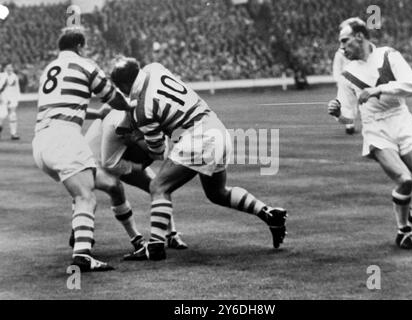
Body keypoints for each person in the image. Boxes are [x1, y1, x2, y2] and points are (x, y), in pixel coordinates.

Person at [110, 57, 287, 261]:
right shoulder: (154, 68)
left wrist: (135, 138)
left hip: (198, 136)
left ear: (124, 84)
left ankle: (156, 245)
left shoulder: (143, 110)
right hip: (217, 129)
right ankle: (269, 214)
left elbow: (158, 151)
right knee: (217, 193)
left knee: (159, 187)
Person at [327, 19, 412, 249]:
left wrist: (379, 88)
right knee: (405, 180)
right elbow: (349, 116)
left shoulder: (388, 55)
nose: (342, 48)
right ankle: (403, 230)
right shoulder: (347, 74)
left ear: (360, 37)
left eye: (345, 41)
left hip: (402, 120)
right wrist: (338, 113)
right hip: (375, 128)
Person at [32, 27, 132, 272]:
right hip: (65, 138)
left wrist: (95, 114)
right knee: (85, 197)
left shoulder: (49, 70)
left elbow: (61, 104)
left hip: (41, 141)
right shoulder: (85, 65)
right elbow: (113, 97)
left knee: (96, 187)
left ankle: (79, 233)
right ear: (79, 46)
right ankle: (82, 255)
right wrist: (130, 107)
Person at [83, 108, 189, 255]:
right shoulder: (115, 123)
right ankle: (136, 240)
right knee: (114, 188)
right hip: (95, 157)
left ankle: (171, 235)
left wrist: (139, 146)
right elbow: (108, 163)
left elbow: (160, 154)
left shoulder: (149, 121)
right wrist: (139, 164)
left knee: (157, 187)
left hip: (119, 154)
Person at [331, 18, 363, 135]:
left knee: (363, 103)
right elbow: (336, 69)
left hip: (358, 80)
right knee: (347, 104)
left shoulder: (359, 52)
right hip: (346, 81)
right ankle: (350, 125)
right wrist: (339, 81)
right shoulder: (339, 54)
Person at [0, 64, 21, 140]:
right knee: (2, 115)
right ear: (5, 68)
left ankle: (13, 134)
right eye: (8, 67)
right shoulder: (2, 76)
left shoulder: (14, 76)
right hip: (3, 98)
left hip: (12, 99)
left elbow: (17, 88)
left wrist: (17, 97)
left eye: (11, 67)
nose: (10, 68)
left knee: (13, 115)